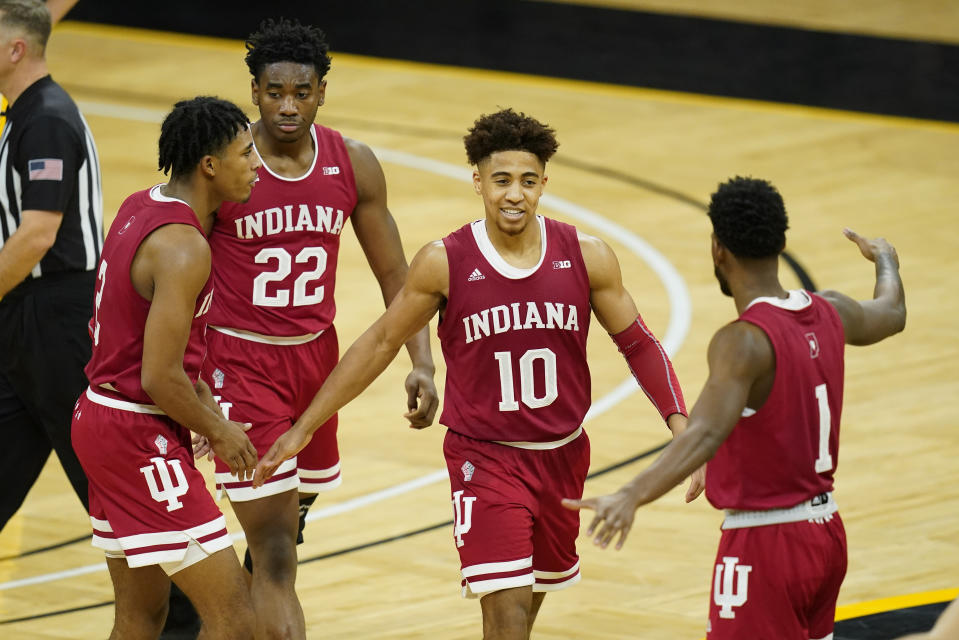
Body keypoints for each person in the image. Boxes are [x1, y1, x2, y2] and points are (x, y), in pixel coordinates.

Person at [253, 108, 702, 639]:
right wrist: (305, 426)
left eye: (528, 182)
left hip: (563, 457)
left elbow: (640, 345)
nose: (515, 194)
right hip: (484, 459)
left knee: (524, 614)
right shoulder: (446, 261)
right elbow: (379, 342)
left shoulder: (586, 256)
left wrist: (683, 429)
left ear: (544, 185)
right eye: (502, 180)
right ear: (478, 181)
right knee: (506, 614)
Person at [563, 177, 907, 640]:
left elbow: (704, 433)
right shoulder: (832, 310)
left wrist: (631, 495)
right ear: (781, 243)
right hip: (825, 533)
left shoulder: (742, 340)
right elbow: (892, 312)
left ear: (717, 249)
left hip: (765, 544)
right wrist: (886, 260)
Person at [188, 17, 438, 639]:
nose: (288, 106)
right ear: (254, 92)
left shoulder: (353, 163)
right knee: (276, 552)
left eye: (302, 92)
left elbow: (396, 277)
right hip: (240, 366)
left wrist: (423, 361)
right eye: (275, 92)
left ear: (323, 90)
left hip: (317, 368)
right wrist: (192, 388)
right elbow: (175, 279)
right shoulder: (223, 166)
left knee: (286, 531)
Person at [70, 96, 260, 639]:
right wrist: (219, 431)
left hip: (100, 417)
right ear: (209, 165)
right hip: (136, 431)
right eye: (245, 154)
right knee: (236, 616)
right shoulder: (184, 247)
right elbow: (158, 376)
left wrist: (200, 407)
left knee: (142, 615)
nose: (255, 165)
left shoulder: (139, 204)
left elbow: (145, 343)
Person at [0, 0, 100, 532]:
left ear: (16, 49)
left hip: (59, 317)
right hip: (25, 313)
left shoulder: (45, 119)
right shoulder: (24, 114)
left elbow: (37, 235)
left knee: (101, 476)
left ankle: (186, 613)